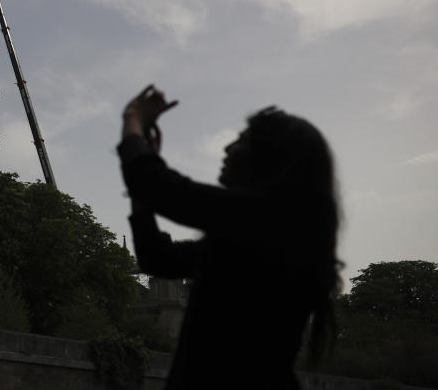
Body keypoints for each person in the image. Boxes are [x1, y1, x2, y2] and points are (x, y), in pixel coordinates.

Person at [117, 85, 341, 389]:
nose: (227, 149)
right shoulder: (262, 235)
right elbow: (156, 257)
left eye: (241, 141)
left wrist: (133, 122)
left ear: (267, 160)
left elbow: (160, 187)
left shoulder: (261, 223)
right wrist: (140, 191)